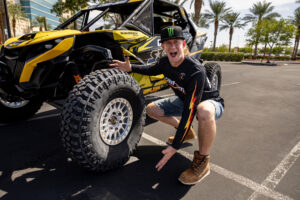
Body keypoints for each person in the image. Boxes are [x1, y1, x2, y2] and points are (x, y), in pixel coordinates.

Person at [110, 26, 224, 185]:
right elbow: (150, 69)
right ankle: (186, 132)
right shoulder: (164, 62)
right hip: (185, 100)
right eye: (168, 43)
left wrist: (175, 146)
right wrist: (131, 68)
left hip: (208, 102)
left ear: (183, 44)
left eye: (176, 42)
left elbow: (190, 111)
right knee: (151, 109)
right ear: (162, 47)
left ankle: (203, 161)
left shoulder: (195, 70)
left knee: (202, 110)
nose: (172, 47)